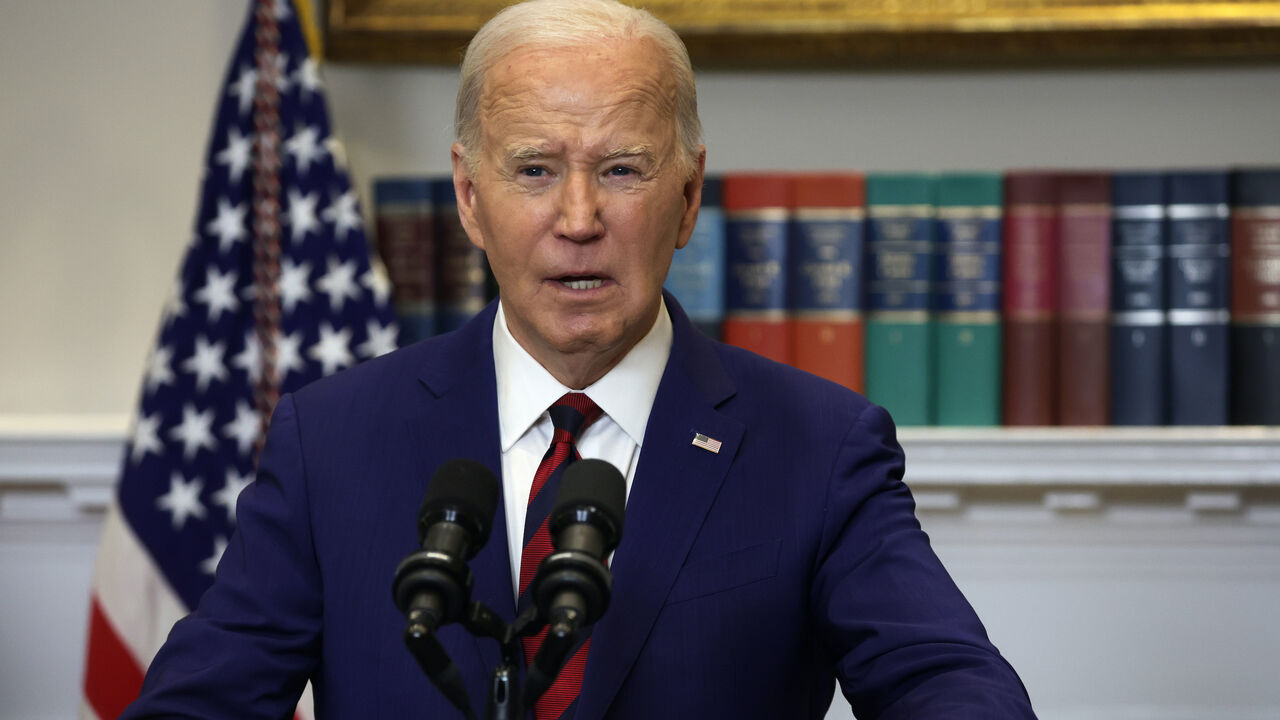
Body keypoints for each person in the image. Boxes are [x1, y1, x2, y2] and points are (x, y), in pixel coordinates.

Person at [125, 0, 1036, 717]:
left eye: (622, 170)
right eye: (533, 169)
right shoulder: (331, 441)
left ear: (686, 201)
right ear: (469, 199)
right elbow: (197, 704)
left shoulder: (819, 445)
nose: (577, 219)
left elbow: (948, 683)